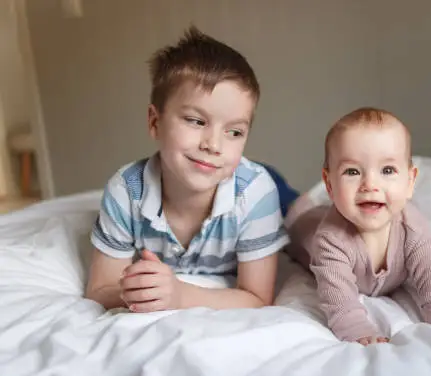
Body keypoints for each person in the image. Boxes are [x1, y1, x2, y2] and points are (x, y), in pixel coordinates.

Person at [85, 26, 289, 313]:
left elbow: (257, 298)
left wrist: (180, 295)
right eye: (196, 121)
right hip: (224, 173)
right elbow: (99, 290)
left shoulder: (256, 193)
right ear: (155, 122)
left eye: (234, 132)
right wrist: (139, 291)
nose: (214, 144)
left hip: (251, 181)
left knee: (301, 221)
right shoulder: (126, 191)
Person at [285, 107, 431, 345]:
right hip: (303, 225)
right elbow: (340, 304)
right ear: (329, 184)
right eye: (352, 171)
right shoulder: (331, 239)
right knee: (293, 215)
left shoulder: (414, 229)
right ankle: (297, 203)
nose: (370, 184)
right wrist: (361, 332)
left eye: (387, 170)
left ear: (410, 182)